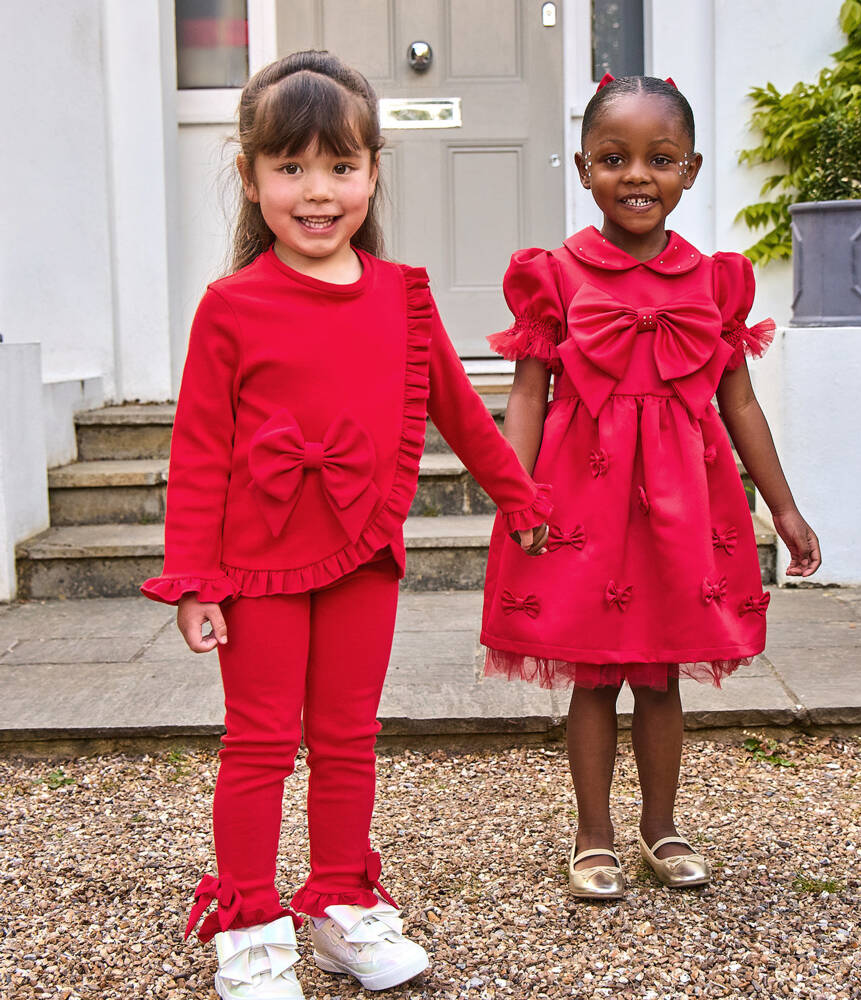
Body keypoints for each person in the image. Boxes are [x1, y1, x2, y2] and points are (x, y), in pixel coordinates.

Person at [141, 50, 550, 999]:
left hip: (364, 551)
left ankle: (336, 906)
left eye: (340, 167)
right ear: (249, 178)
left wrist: (522, 498)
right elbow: (200, 454)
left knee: (347, 735)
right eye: (289, 169)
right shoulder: (230, 307)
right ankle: (248, 920)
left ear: (373, 172)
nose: (316, 192)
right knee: (258, 741)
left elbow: (458, 409)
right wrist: (193, 578)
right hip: (258, 564)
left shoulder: (404, 294)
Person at [480, 73, 820, 900]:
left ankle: (661, 826)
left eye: (659, 158)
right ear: (584, 167)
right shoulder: (553, 276)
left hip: (682, 503)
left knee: (661, 673)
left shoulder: (716, 282)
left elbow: (737, 402)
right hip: (584, 506)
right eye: (614, 157)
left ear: (691, 170)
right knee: (594, 673)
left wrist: (782, 504)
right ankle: (592, 834)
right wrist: (515, 494)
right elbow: (528, 394)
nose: (637, 174)